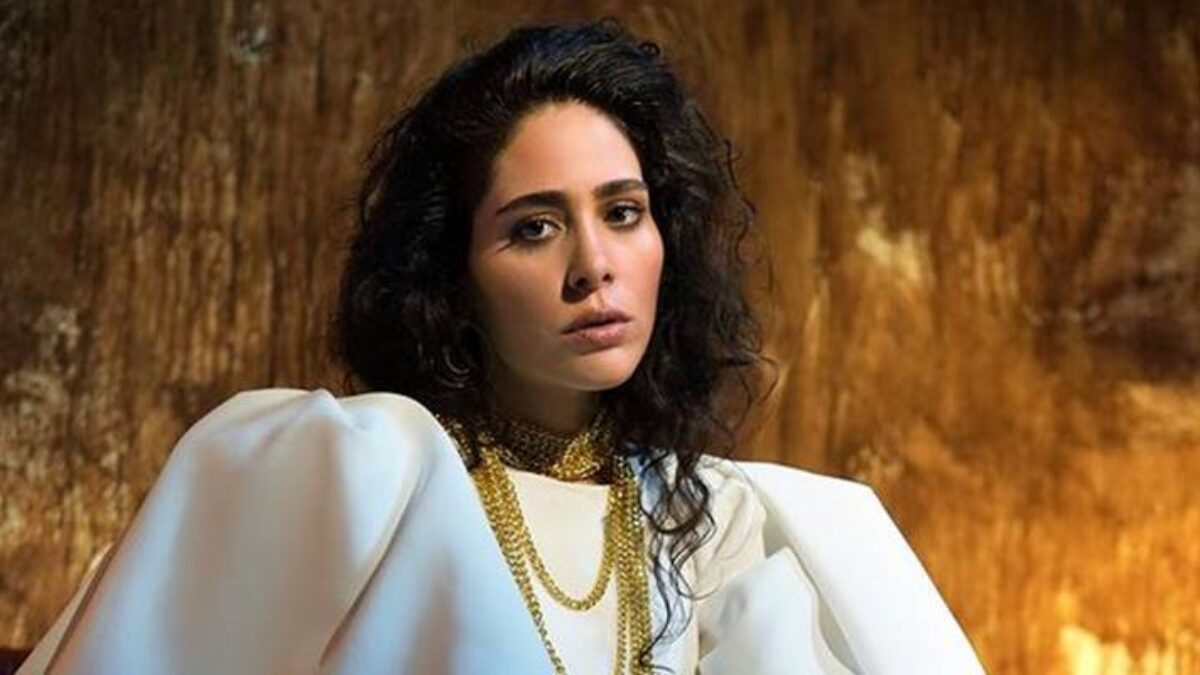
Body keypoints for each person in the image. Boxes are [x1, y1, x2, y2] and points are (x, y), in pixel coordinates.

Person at [17, 18, 984, 675]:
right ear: (454, 274)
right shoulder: (367, 476)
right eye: (534, 227)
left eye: (623, 212)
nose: (593, 265)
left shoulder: (727, 525)